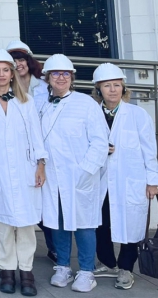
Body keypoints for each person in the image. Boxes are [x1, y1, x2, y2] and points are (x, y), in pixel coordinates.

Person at [0, 49, 47, 296]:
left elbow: (36, 135)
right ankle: (7, 271)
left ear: (12, 74)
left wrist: (41, 164)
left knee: (25, 224)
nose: (2, 74)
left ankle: (26, 272)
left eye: (6, 70)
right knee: (3, 224)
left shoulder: (26, 102)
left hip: (25, 169)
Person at [39, 54, 109, 293]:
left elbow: (100, 141)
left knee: (84, 223)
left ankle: (87, 271)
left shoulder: (86, 103)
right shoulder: (42, 105)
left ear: (72, 78)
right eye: (56, 73)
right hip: (52, 175)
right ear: (47, 77)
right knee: (57, 222)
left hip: (79, 176)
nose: (61, 77)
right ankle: (62, 266)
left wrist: (86, 170)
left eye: (65, 73)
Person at [91, 63, 158, 290]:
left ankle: (125, 268)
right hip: (100, 180)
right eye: (107, 86)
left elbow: (149, 150)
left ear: (123, 88)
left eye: (117, 85)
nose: (112, 90)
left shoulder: (137, 115)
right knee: (100, 223)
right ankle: (107, 262)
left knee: (132, 224)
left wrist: (153, 180)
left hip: (131, 180)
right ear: (98, 89)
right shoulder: (91, 115)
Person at [6, 40, 53, 263]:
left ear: (29, 60)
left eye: (21, 59)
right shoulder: (6, 89)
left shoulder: (44, 84)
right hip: (20, 151)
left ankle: (53, 248)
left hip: (45, 148)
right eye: (13, 61)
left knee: (47, 204)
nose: (18, 64)